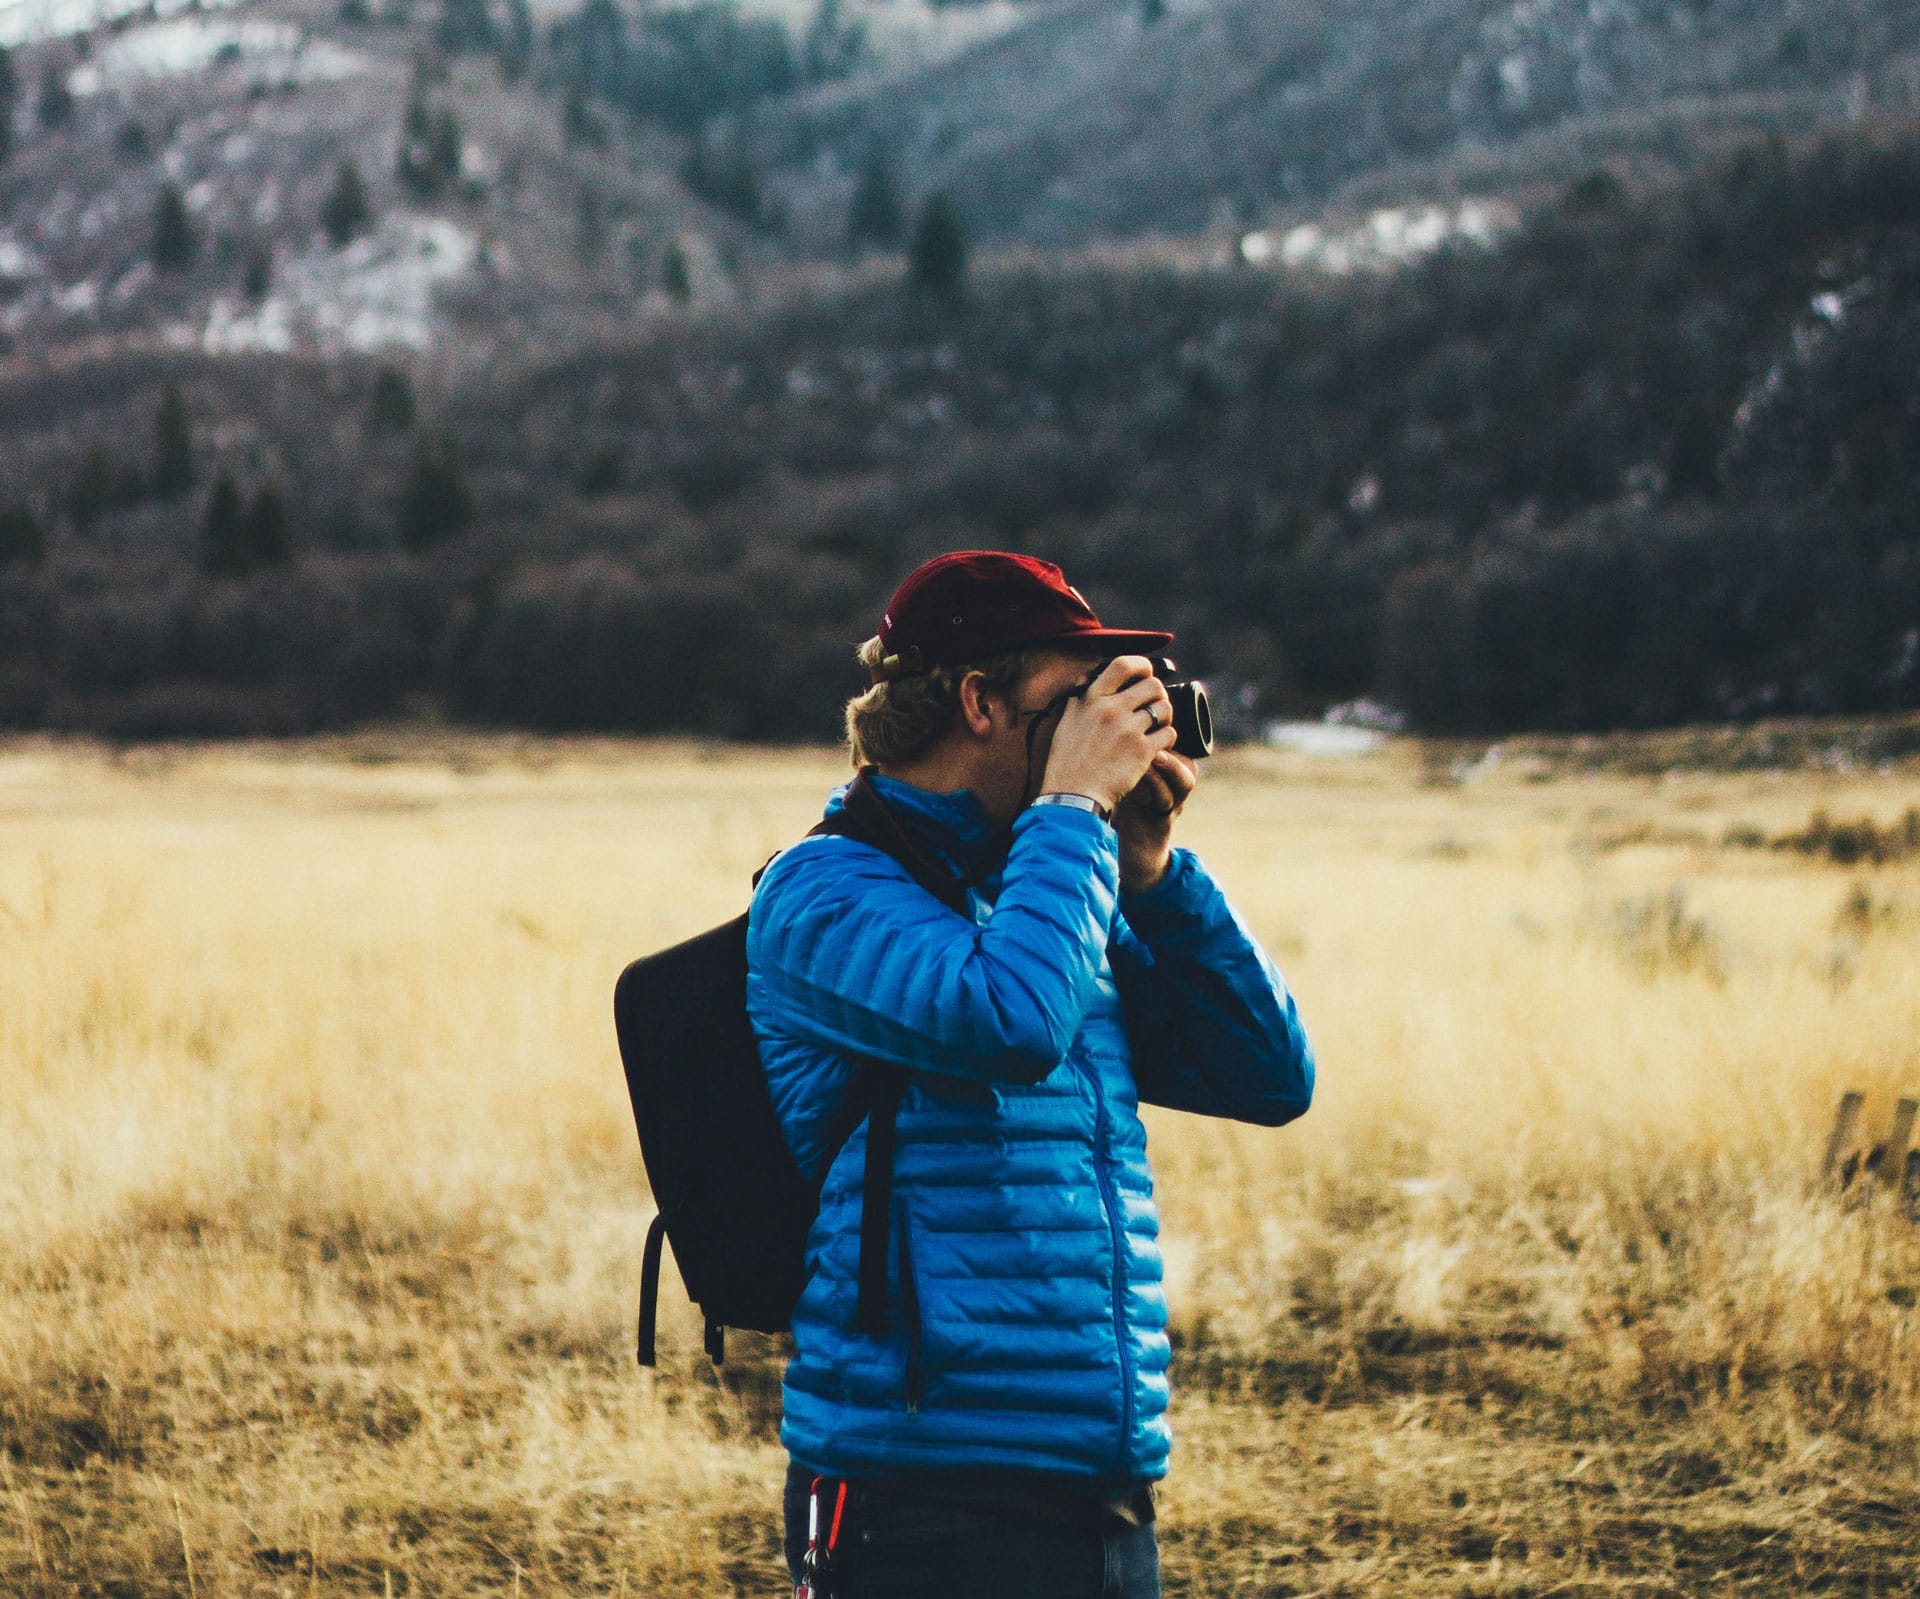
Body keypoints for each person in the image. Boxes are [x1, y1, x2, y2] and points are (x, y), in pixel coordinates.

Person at [747, 551, 1314, 1599]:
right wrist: (1073, 812)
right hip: (917, 1493)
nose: (1108, 732)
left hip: (1097, 1480)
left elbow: (1270, 1074)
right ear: (978, 701)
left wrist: (1152, 873)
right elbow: (1013, 1022)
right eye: (1074, 705)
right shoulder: (824, 890)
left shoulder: (1054, 890)